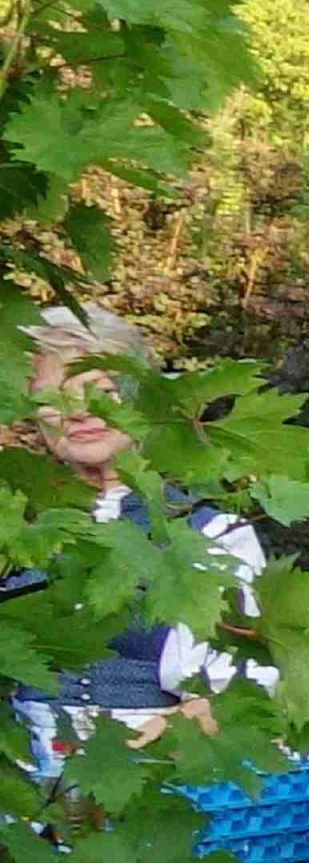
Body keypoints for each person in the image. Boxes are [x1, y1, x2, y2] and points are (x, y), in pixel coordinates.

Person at [5, 305, 265, 777]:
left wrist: (176, 728)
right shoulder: (13, 528)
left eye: (104, 391)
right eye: (54, 397)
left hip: (159, 776)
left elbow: (245, 687)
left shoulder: (209, 534)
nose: (80, 412)